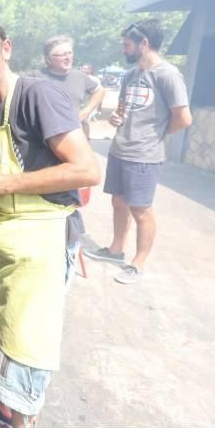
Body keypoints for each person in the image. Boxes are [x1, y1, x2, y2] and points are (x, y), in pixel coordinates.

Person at [0, 18, 100, 428]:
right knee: (8, 337)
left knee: (27, 351)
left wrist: (1, 181)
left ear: (6, 48)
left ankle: (21, 426)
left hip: (44, 247)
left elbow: (86, 170)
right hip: (12, 243)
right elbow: (4, 200)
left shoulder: (39, 95)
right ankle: (4, 407)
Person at [84, 19, 192, 284]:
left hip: (144, 155)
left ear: (144, 43)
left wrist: (157, 134)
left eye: (127, 44)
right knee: (118, 202)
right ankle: (115, 250)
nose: (124, 49)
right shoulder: (131, 76)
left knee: (141, 210)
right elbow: (123, 109)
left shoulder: (167, 75)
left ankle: (138, 263)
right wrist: (117, 120)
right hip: (120, 149)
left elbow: (183, 118)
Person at [26, 36, 105, 139]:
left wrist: (85, 112)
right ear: (48, 59)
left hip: (74, 138)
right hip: (42, 141)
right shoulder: (34, 77)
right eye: (62, 55)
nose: (68, 58)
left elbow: (100, 91)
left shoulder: (79, 76)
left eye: (70, 53)